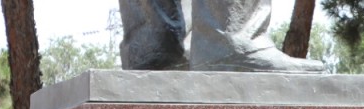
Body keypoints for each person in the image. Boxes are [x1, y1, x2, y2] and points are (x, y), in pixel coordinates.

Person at [119, 0, 325, 72]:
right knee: (227, 43)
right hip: (231, 40)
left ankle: (156, 43)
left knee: (159, 49)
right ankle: (232, 37)